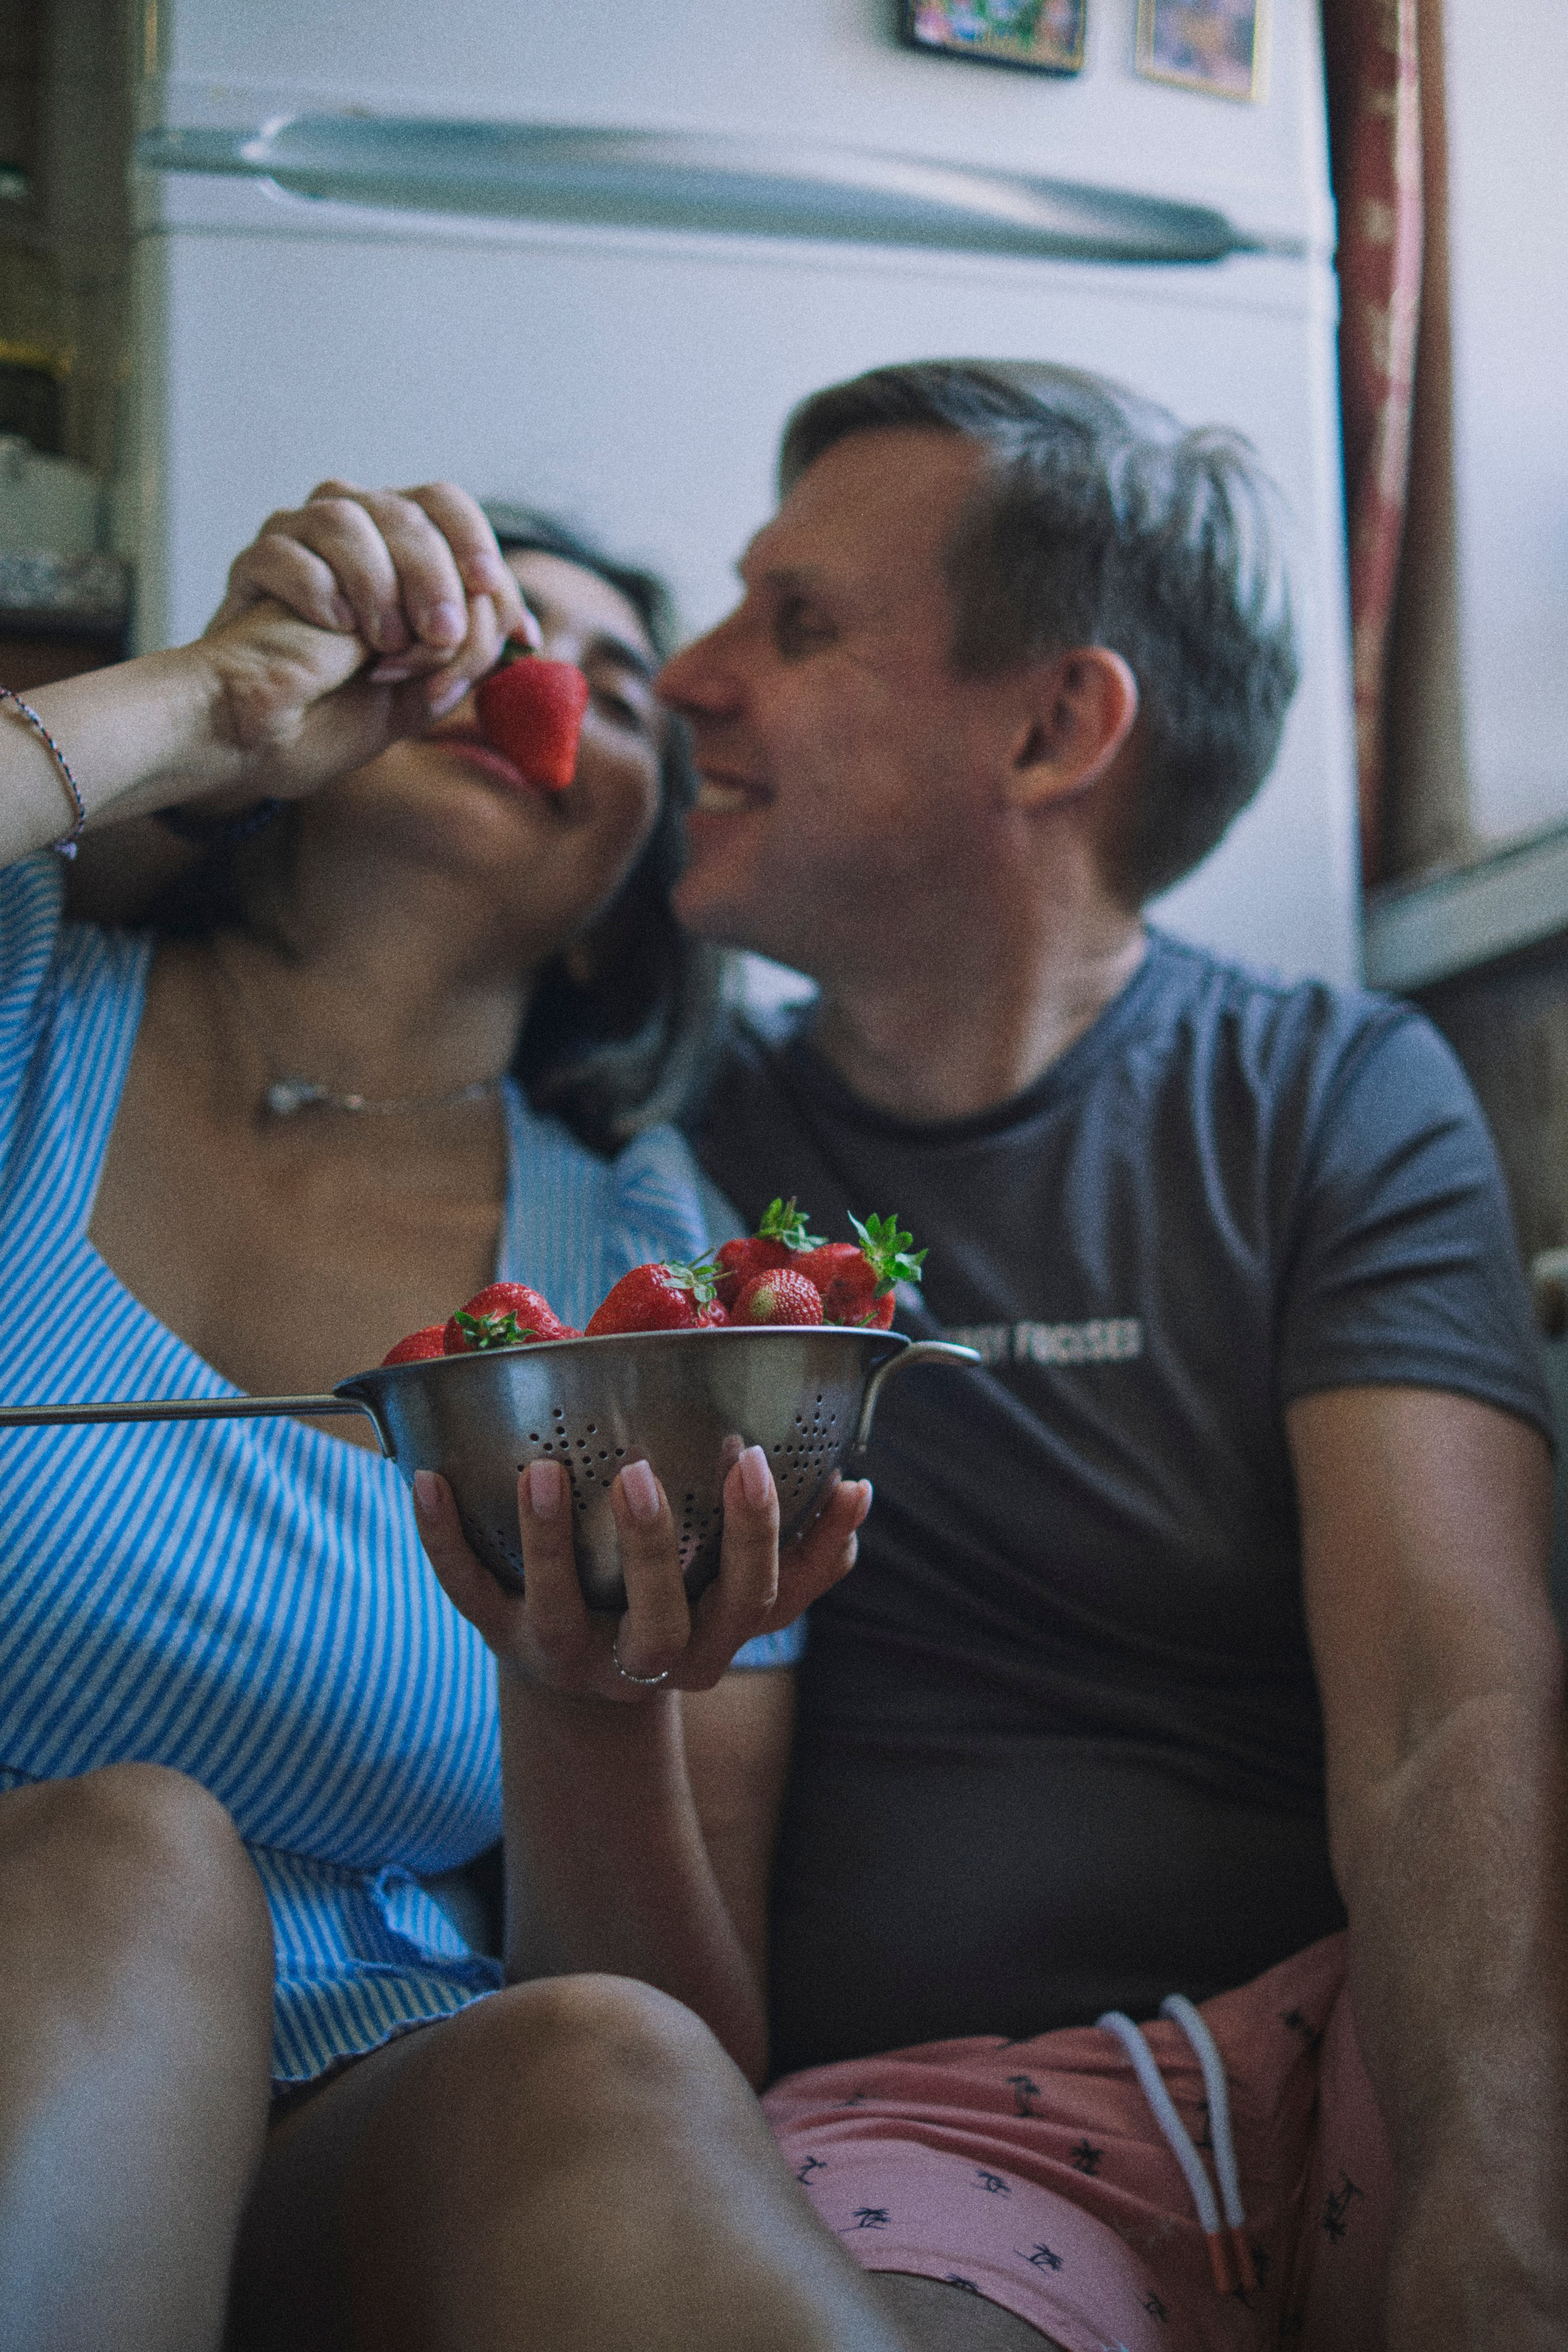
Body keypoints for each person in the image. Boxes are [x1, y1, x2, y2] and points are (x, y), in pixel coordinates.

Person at [642, 363, 1567, 2349]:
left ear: (1058, 726)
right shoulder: (674, 1163)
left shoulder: (1333, 1093)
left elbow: (1442, 1705)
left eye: (792, 625)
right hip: (935, 2130)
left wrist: (1496, 2196)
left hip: (1377, 2041)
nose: (685, 678)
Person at [0, 483, 881, 2352]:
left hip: (344, 2117)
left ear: (623, 893)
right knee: (147, 1855)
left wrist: (587, 1690)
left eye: (616, 691)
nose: (537, 676)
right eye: (469, 637)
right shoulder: (29, 997)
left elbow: (701, 2030)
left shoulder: (668, 1286)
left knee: (609, 2063)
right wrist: (206, 712)